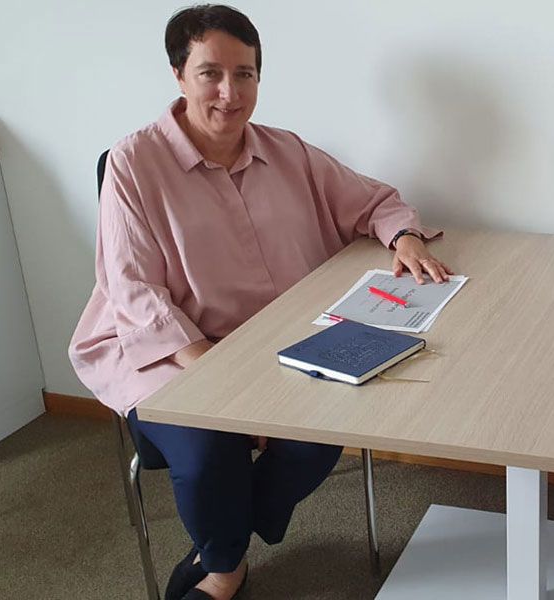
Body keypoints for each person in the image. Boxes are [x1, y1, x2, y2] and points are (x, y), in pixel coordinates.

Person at [68, 5, 450, 599]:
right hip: (167, 347)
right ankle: (225, 568)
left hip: (278, 340)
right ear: (178, 74)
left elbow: (374, 201)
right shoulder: (133, 164)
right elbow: (135, 292)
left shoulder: (288, 151)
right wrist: (232, 385)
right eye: (210, 73)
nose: (230, 91)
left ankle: (227, 535)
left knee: (320, 429)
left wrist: (401, 235)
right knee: (208, 445)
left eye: (245, 74)